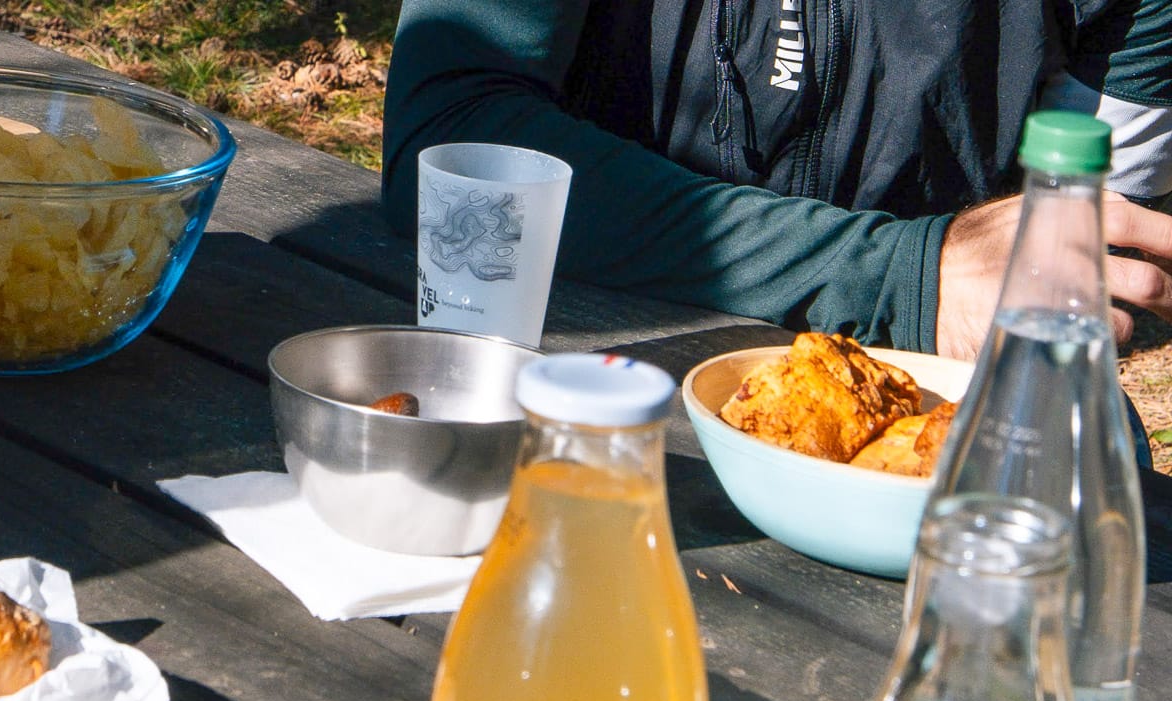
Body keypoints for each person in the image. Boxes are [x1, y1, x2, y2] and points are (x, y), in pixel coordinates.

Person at [382, 0, 1172, 371]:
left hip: (922, 424)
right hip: (574, 370)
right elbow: (453, 139)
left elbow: (1100, 258)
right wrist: (903, 274)